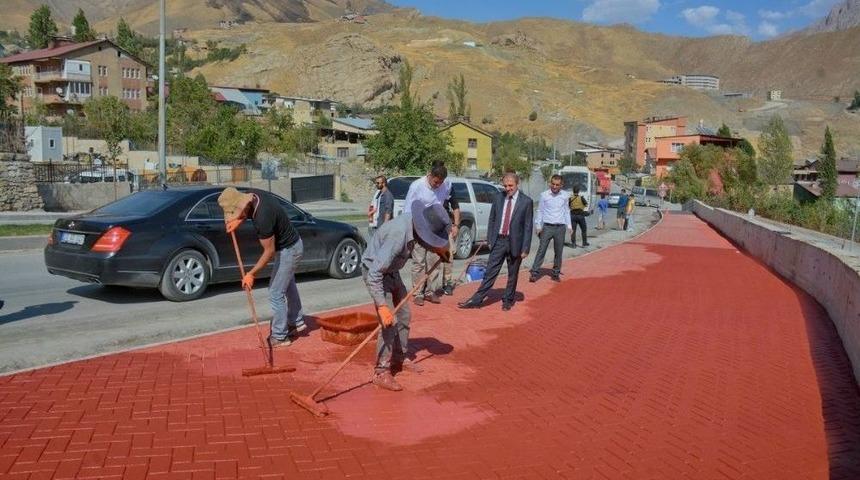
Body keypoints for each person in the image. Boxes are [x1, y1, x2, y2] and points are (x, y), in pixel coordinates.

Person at [362, 201, 452, 391]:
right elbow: (374, 274)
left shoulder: (414, 225)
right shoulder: (398, 235)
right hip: (375, 273)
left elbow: (426, 242)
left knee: (404, 315)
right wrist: (382, 306)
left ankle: (399, 357)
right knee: (389, 322)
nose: (429, 242)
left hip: (391, 271)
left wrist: (439, 249)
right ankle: (381, 371)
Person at [219, 187, 305, 348]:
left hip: (289, 250)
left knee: (275, 292)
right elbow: (247, 211)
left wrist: (251, 274)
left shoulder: (262, 218)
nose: (238, 215)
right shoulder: (254, 195)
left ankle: (280, 336)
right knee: (287, 284)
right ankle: (296, 321)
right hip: (290, 246)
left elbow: (269, 252)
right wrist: (239, 219)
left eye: (238, 212)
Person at [458, 173, 533, 311]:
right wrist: (490, 239)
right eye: (505, 186)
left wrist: (525, 248)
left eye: (510, 185)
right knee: (490, 272)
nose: (507, 188)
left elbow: (528, 226)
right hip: (499, 241)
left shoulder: (526, 202)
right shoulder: (498, 198)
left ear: (517, 184)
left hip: (515, 243)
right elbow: (492, 219)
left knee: (513, 274)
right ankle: (476, 300)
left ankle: (508, 300)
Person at [403, 161, 460, 306]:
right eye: (435, 182)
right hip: (418, 227)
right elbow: (407, 210)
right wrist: (410, 232)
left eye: (440, 183)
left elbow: (448, 204)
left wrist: (452, 225)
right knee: (419, 262)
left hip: (435, 228)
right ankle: (418, 292)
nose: (437, 185)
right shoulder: (416, 186)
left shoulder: (445, 185)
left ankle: (430, 291)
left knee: (434, 261)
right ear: (429, 175)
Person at [529, 175, 571, 283]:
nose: (554, 186)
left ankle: (556, 273)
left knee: (558, 251)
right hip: (547, 227)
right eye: (553, 184)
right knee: (541, 250)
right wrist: (538, 226)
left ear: (561, 185)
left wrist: (569, 226)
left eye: (557, 185)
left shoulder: (565, 196)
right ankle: (534, 272)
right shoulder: (544, 195)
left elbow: (566, 211)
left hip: (560, 228)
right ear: (550, 183)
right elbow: (540, 211)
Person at [440, 189, 461, 296]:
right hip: (431, 226)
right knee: (430, 258)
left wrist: (456, 226)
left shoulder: (448, 187)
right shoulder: (427, 187)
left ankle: (447, 283)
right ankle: (427, 286)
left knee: (448, 255)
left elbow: (455, 207)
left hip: (446, 225)